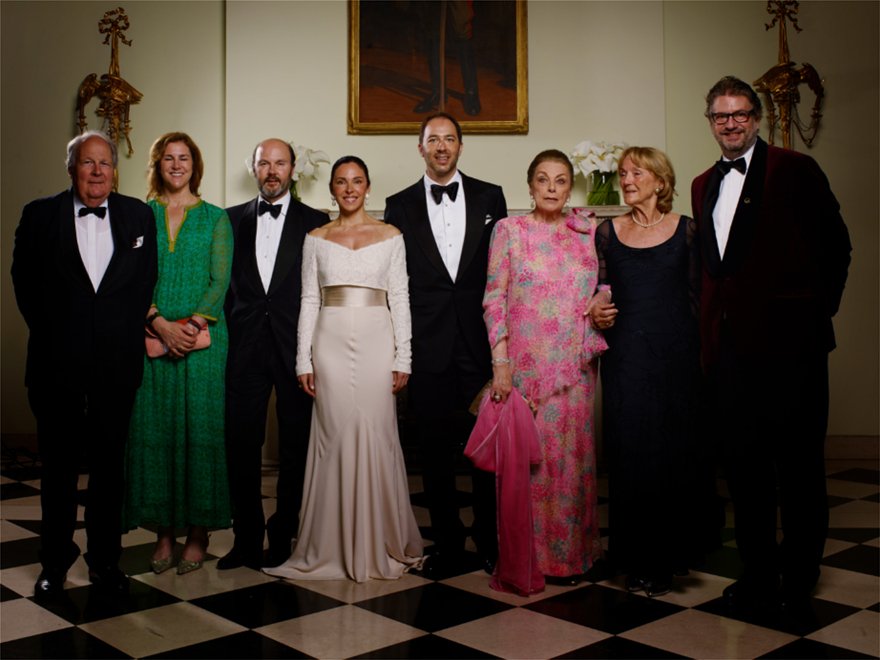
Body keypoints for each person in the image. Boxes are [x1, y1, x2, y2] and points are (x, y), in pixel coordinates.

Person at [691, 76, 851, 614]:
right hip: (729, 352)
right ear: (710, 123)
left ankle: (800, 575)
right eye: (720, 116)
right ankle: (758, 571)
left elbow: (837, 247)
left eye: (740, 114)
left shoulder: (795, 168)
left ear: (756, 118)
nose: (730, 123)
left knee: (799, 467)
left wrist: (812, 314)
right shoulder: (701, 184)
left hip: (792, 351)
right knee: (744, 469)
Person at [11, 131, 157, 596]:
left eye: (104, 163)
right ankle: (54, 562)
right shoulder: (39, 215)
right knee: (58, 469)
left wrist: (120, 335)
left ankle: (105, 561)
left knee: (110, 468)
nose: (96, 171)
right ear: (71, 168)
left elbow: (144, 282)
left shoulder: (138, 215)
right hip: (57, 365)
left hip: (117, 365)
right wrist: (59, 335)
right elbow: (23, 284)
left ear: (115, 170)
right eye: (87, 163)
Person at [264, 156, 423, 581]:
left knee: (377, 433)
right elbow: (309, 300)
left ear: (368, 187)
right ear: (332, 189)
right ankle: (328, 542)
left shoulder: (391, 236)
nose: (349, 188)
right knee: (331, 436)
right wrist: (303, 358)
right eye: (341, 182)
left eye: (357, 181)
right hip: (329, 344)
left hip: (377, 341)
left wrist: (403, 356)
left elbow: (400, 298)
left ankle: (378, 539)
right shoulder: (316, 238)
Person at [590, 146, 718, 597]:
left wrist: (704, 359)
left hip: (676, 359)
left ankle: (668, 556)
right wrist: (596, 308)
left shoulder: (687, 230)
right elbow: (600, 288)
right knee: (629, 452)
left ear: (660, 181)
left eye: (637, 173)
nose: (626, 180)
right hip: (625, 358)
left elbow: (699, 298)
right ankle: (634, 556)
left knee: (672, 452)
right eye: (623, 173)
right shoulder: (607, 233)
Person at [385, 112, 506, 577]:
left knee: (486, 450)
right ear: (421, 148)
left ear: (460, 146)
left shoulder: (491, 196)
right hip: (428, 345)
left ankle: (490, 541)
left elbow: (503, 272)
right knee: (434, 452)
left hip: (479, 345)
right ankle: (448, 545)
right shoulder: (399, 205)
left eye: (449, 139)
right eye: (432, 140)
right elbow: (396, 283)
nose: (441, 146)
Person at [483, 149, 603, 584]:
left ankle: (572, 558)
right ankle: (528, 557)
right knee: (529, 468)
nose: (551, 188)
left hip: (573, 368)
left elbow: (609, 283)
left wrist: (603, 299)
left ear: (570, 188)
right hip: (525, 369)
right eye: (543, 179)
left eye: (560, 180)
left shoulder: (588, 231)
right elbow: (494, 299)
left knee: (571, 464)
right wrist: (501, 363)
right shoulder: (509, 231)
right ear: (530, 186)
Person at [124, 132, 233, 575]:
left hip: (201, 343)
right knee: (157, 432)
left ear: (195, 165)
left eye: (184, 157)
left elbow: (219, 280)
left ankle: (199, 533)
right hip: (151, 337)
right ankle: (164, 532)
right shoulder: (140, 215)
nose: (176, 165)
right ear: (158, 165)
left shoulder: (215, 218)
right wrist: (158, 323)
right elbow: (130, 276)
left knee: (200, 434)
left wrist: (188, 329)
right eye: (168, 158)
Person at [220, 139, 329, 570]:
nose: (271, 170)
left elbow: (322, 291)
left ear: (293, 169)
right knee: (240, 444)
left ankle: (284, 534)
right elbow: (221, 286)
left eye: (280, 163)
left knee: (295, 446)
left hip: (296, 348)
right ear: (253, 168)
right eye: (264, 163)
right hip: (243, 347)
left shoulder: (316, 222)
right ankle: (246, 538)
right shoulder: (229, 220)